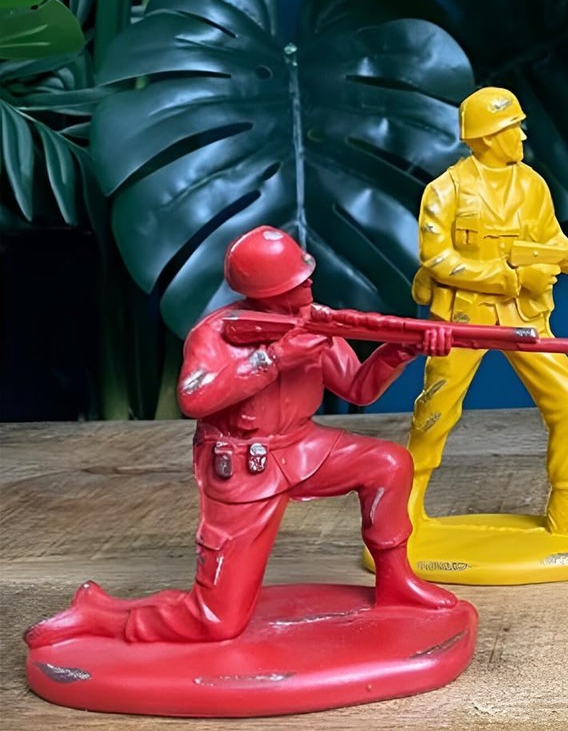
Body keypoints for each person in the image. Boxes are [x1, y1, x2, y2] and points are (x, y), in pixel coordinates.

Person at [26, 226, 455, 648]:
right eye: (295, 279)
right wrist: (274, 359)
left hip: (303, 447)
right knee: (216, 623)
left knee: (388, 464)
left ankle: (396, 582)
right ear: (265, 290)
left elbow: (358, 388)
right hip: (243, 464)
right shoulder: (217, 333)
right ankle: (99, 615)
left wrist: (400, 349)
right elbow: (194, 397)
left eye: (306, 274)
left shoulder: (315, 321)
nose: (308, 282)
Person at [406, 86, 568, 541]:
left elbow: (558, 249)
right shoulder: (445, 191)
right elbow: (437, 259)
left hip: (524, 318)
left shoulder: (530, 185)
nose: (523, 135)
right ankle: (403, 505)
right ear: (488, 136)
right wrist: (509, 279)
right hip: (464, 318)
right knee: (435, 412)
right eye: (513, 127)